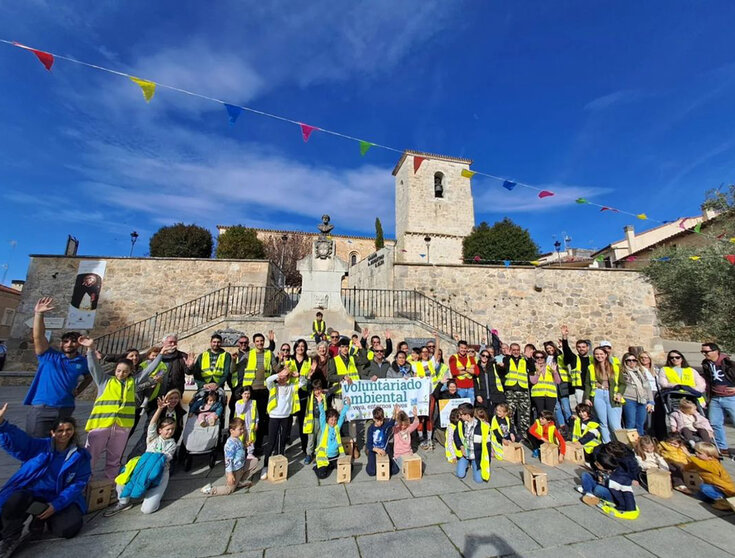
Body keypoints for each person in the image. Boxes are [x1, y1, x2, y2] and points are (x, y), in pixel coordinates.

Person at [0, 404, 91, 554]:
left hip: (56, 497)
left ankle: (40, 519)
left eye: (69, 430)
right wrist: (3, 425)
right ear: (52, 432)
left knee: (68, 528)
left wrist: (55, 506)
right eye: (60, 430)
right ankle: (12, 537)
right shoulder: (39, 446)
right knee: (13, 504)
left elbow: (77, 485)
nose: (64, 434)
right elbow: (20, 441)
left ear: (74, 431)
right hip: (30, 495)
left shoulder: (80, 456)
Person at [81, 336, 151, 481]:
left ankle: (110, 483)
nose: (121, 374)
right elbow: (93, 367)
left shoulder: (133, 383)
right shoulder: (105, 381)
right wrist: (90, 349)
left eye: (124, 371)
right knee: (90, 456)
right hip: (101, 424)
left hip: (122, 426)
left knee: (115, 457)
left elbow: (148, 371)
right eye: (118, 370)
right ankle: (83, 481)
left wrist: (161, 354)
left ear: (130, 372)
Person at [24, 297, 92, 438]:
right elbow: (39, 336)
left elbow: (89, 376)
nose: (69, 344)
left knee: (59, 445)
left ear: (78, 344)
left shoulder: (82, 362)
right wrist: (39, 314)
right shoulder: (48, 356)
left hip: (65, 408)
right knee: (35, 446)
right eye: (65, 341)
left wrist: (79, 390)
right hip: (42, 407)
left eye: (73, 342)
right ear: (61, 344)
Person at [105, 397, 176, 516]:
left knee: (147, 510)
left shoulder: (172, 444)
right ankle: (124, 501)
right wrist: (159, 409)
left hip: (159, 473)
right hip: (142, 467)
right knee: (123, 479)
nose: (170, 432)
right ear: (160, 430)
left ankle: (148, 493)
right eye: (167, 429)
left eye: (172, 429)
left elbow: (165, 458)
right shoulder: (153, 439)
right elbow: (152, 424)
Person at [260, 367, 306, 480]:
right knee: (271, 441)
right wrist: (278, 374)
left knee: (282, 441)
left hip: (285, 417)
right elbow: (268, 380)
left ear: (288, 378)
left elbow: (303, 382)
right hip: (274, 417)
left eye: (285, 377)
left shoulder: (291, 387)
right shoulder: (273, 387)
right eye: (281, 377)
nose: (282, 379)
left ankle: (280, 462)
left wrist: (298, 375)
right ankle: (265, 465)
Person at [238, 332, 279, 455]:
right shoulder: (248, 355)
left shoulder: (268, 353)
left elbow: (276, 369)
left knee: (260, 419)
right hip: (251, 391)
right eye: (257, 341)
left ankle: (258, 445)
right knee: (248, 419)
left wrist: (281, 361)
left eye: (262, 341)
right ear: (254, 342)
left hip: (265, 390)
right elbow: (235, 369)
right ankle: (246, 444)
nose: (260, 343)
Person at [327, 338, 367, 459]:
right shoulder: (334, 360)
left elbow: (365, 360)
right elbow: (330, 376)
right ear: (339, 348)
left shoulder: (352, 358)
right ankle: (336, 445)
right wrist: (342, 377)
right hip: (339, 396)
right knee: (336, 422)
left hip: (352, 396)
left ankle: (353, 445)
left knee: (352, 422)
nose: (345, 349)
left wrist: (361, 348)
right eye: (343, 346)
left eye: (346, 347)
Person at [576, 444, 639, 519]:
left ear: (606, 466)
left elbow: (628, 493)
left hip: (611, 494)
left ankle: (589, 491)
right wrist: (598, 476)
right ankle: (589, 493)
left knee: (598, 489)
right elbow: (597, 473)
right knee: (585, 475)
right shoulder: (603, 468)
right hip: (601, 483)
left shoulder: (620, 477)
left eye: (598, 464)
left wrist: (630, 509)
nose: (596, 464)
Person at [201, 418, 258, 496]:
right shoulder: (230, 444)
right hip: (234, 470)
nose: (242, 431)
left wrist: (246, 445)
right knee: (229, 490)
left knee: (254, 461)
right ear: (232, 431)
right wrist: (230, 474)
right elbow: (228, 460)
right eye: (240, 429)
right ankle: (210, 490)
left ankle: (240, 481)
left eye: (243, 428)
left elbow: (239, 449)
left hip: (241, 466)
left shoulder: (237, 439)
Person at [584, 346, 625, 443]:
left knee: (615, 424)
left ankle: (620, 445)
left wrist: (619, 393)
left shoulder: (615, 367)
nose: (599, 356)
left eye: (601, 354)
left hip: (613, 396)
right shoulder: (591, 367)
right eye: (597, 354)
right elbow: (587, 384)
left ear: (606, 355)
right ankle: (607, 445)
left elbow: (622, 383)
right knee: (603, 423)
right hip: (598, 395)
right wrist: (587, 398)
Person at [700, 342, 735, 457]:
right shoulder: (706, 364)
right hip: (715, 398)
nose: (704, 354)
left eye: (706, 351)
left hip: (730, 398)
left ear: (715, 351)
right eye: (703, 352)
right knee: (715, 423)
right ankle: (722, 447)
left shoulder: (728, 363)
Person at [684, 441, 735, 510]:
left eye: (700, 453)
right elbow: (689, 467)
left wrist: (689, 456)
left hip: (723, 488)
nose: (696, 454)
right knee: (699, 496)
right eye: (696, 451)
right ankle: (715, 498)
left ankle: (723, 501)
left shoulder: (713, 464)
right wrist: (685, 467)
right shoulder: (700, 461)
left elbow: (702, 465)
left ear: (710, 457)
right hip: (713, 485)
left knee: (704, 487)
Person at [453, 402, 492, 484]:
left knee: (479, 480)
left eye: (461, 414)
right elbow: (456, 436)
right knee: (460, 475)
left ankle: (474, 464)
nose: (459, 416)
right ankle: (466, 462)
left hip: (476, 456)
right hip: (465, 455)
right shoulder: (460, 424)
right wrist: (461, 446)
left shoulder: (483, 427)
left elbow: (487, 445)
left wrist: (487, 461)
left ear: (467, 415)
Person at [501, 343, 532, 443]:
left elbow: (532, 369)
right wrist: (508, 356)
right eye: (513, 350)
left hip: (523, 390)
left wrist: (530, 358)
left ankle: (525, 434)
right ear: (510, 350)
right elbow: (505, 368)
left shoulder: (524, 360)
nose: (516, 352)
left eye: (518, 350)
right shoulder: (507, 359)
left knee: (525, 414)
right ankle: (511, 433)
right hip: (511, 390)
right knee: (510, 414)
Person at [313, 397, 350, 479]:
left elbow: (342, 416)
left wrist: (347, 405)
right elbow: (322, 414)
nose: (333, 422)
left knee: (350, 468)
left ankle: (330, 466)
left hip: (336, 456)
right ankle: (316, 467)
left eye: (335, 420)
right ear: (327, 419)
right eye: (331, 420)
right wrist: (320, 403)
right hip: (325, 457)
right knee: (322, 475)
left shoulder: (337, 427)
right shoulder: (324, 426)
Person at [303, 379, 338, 465]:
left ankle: (317, 454)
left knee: (320, 438)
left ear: (321, 389)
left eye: (319, 389)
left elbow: (332, 390)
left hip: (322, 421)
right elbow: (307, 386)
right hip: (312, 420)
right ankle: (309, 454)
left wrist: (341, 382)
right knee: (311, 438)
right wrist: (309, 377)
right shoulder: (310, 395)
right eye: (315, 389)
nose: (317, 391)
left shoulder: (324, 396)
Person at [620, 353, 654, 436]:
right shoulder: (622, 372)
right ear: (625, 362)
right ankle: (630, 445)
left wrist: (651, 401)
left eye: (634, 360)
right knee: (631, 423)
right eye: (629, 360)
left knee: (640, 423)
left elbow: (647, 387)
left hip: (642, 400)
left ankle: (640, 444)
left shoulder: (641, 371)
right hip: (629, 399)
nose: (632, 362)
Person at [289, 339, 312, 455]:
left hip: (303, 393)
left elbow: (309, 376)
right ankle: (285, 443)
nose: (300, 348)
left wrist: (301, 375)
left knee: (303, 421)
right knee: (288, 419)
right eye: (298, 346)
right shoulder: (290, 359)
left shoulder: (309, 360)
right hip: (291, 392)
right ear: (295, 348)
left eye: (303, 346)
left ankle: (304, 446)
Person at [543, 340, 572, 428]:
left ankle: (571, 424)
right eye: (547, 348)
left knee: (565, 406)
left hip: (561, 383)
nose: (549, 350)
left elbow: (565, 356)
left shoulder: (559, 356)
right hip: (551, 384)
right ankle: (562, 425)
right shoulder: (546, 359)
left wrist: (561, 346)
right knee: (557, 407)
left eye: (550, 347)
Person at [561, 325, 591, 406]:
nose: (581, 349)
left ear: (587, 348)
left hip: (592, 388)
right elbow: (567, 350)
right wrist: (564, 337)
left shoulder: (592, 359)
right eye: (579, 347)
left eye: (583, 347)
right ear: (577, 348)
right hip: (580, 389)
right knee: (583, 410)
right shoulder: (574, 358)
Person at [365, 407, 399, 477]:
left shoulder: (385, 425)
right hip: (374, 450)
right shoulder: (371, 429)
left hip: (385, 448)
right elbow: (368, 444)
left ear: (383, 418)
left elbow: (392, 422)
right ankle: (371, 463)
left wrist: (395, 413)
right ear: (374, 419)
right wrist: (377, 450)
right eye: (377, 421)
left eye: (381, 420)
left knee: (395, 470)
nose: (380, 423)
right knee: (372, 472)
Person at [529, 351, 561, 417]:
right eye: (537, 357)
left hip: (550, 395)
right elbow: (533, 381)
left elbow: (558, 381)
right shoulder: (532, 368)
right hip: (537, 395)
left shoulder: (550, 367)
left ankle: (550, 427)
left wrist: (554, 371)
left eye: (542, 357)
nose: (540, 359)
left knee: (549, 415)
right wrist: (538, 372)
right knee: (540, 415)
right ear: (534, 358)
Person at [475, 349, 505, 417]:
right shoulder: (476, 367)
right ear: (480, 356)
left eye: (487, 356)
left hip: (494, 395)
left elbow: (503, 372)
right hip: (482, 396)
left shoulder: (493, 366)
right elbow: (475, 382)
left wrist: (502, 366)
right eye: (483, 355)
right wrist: (478, 395)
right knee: (484, 417)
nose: (485, 357)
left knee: (494, 416)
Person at [392, 405, 420, 471]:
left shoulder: (408, 429)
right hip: (398, 455)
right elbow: (392, 423)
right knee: (404, 467)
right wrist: (395, 414)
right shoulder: (396, 429)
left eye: (405, 425)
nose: (403, 427)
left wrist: (415, 416)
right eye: (401, 425)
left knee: (414, 467)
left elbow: (416, 423)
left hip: (408, 453)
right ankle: (394, 461)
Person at [235, 386, 258, 453]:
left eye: (248, 393)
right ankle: (240, 453)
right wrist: (244, 403)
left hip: (250, 425)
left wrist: (256, 422)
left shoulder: (253, 402)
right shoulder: (238, 403)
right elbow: (240, 411)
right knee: (241, 438)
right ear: (241, 394)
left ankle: (250, 453)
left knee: (250, 439)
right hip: (241, 425)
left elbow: (256, 414)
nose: (247, 395)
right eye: (245, 393)